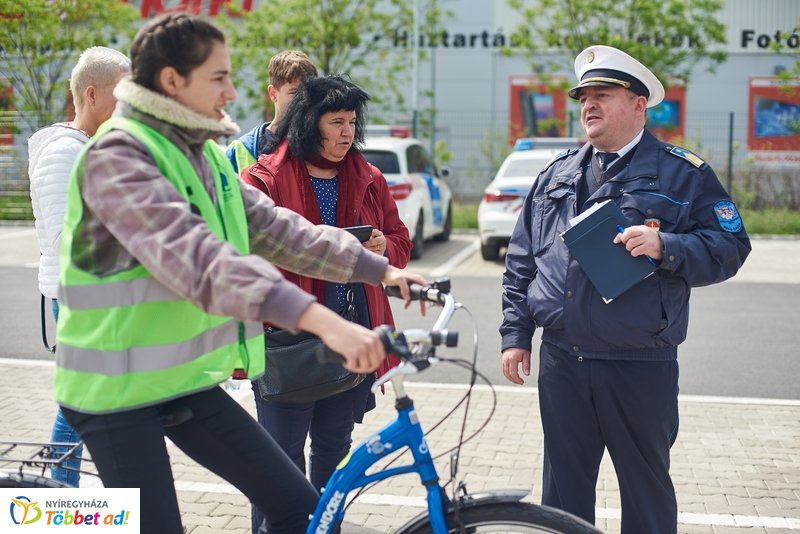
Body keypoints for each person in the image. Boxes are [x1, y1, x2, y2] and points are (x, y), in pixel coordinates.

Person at [54, 13, 424, 534]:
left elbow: (275, 228)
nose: (232, 89)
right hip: (115, 390)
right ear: (172, 81)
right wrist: (326, 322)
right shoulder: (121, 155)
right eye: (219, 76)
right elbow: (206, 263)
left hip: (180, 381)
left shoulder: (199, 152)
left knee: (300, 509)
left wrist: (380, 271)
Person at [500, 45, 751, 534]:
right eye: (584, 96)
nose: (589, 105)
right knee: (563, 497)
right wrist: (515, 334)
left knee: (646, 494)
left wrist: (667, 246)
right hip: (562, 362)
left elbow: (731, 246)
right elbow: (522, 260)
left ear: (640, 104)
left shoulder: (684, 174)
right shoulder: (558, 173)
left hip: (638, 364)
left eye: (604, 94)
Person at [242, 74, 412, 533]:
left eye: (352, 122)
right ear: (307, 122)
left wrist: (382, 251)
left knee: (335, 461)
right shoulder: (264, 178)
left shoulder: (369, 177)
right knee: (279, 468)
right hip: (288, 346)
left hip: (353, 344)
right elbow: (251, 257)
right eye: (336, 122)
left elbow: (400, 239)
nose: (346, 134)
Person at [27, 46, 130, 486]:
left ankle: (74, 499)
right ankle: (60, 499)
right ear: (91, 94)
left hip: (100, 297)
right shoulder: (63, 156)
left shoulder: (92, 147)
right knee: (81, 407)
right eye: (123, 95)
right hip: (81, 300)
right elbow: (63, 239)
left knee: (97, 405)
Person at [226, 50, 317, 174]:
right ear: (273, 94)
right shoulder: (240, 150)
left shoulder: (322, 145)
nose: (304, 99)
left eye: (309, 92)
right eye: (294, 92)